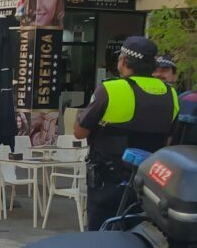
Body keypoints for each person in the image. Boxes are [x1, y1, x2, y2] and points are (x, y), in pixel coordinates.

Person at [75, 36, 178, 231]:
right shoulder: (171, 94)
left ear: (123, 61)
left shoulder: (110, 89)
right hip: (146, 184)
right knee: (137, 235)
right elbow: (169, 140)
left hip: (107, 183)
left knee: (101, 236)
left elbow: (79, 132)